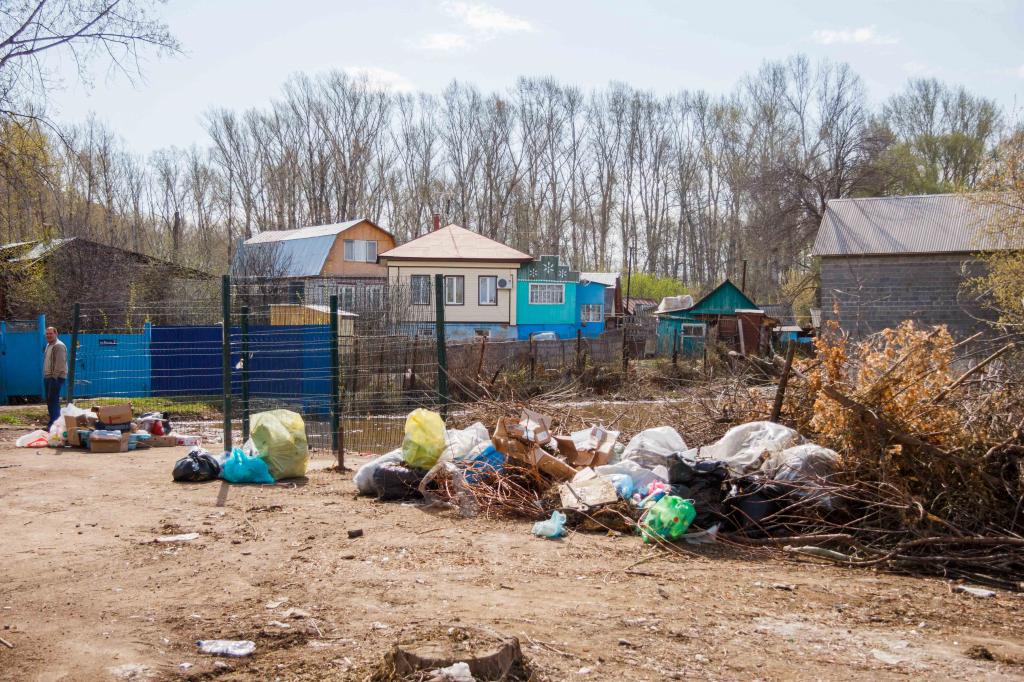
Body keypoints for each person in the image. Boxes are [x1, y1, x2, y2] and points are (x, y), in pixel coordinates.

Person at [43, 326, 67, 428]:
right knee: (50, 400)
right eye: (47, 334)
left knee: (53, 401)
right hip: (48, 377)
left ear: (56, 334)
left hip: (55, 377)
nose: (48, 335)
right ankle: (52, 424)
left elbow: (60, 363)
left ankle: (55, 425)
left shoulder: (59, 346)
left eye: (50, 333)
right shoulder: (49, 345)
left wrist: (54, 377)